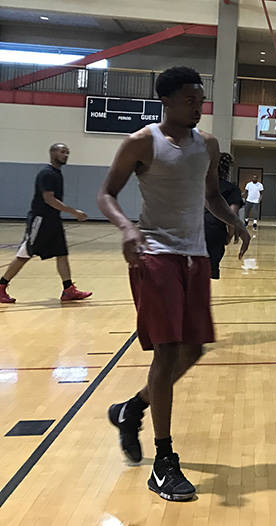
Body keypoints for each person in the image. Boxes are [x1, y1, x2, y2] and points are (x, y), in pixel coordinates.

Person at [99, 66, 250, 502]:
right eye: (189, 100)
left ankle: (132, 409)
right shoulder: (142, 142)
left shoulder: (208, 145)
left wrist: (236, 222)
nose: (198, 107)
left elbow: (212, 196)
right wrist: (127, 228)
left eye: (200, 100)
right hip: (154, 255)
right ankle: (163, 462)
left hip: (195, 256)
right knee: (167, 352)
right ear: (165, 100)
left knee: (194, 349)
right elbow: (106, 194)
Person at [0, 143, 92, 304]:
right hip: (41, 220)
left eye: (67, 152)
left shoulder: (57, 173)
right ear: (52, 153)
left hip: (53, 220)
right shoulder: (47, 173)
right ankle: (1, 286)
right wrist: (74, 212)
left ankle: (68, 289)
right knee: (25, 254)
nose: (66, 155)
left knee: (61, 253)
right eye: (62, 152)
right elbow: (49, 199)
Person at [204, 152, 243, 279]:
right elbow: (232, 216)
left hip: (192, 232)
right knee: (208, 273)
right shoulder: (231, 189)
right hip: (214, 233)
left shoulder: (198, 185)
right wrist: (229, 236)